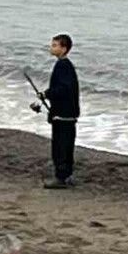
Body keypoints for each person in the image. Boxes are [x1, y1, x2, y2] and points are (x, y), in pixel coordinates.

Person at [33, 33, 80, 189]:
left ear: (64, 48)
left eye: (55, 45)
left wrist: (46, 94)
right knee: (67, 145)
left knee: (60, 146)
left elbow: (63, 89)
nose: (51, 48)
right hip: (68, 113)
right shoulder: (66, 65)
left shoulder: (63, 66)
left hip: (63, 114)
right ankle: (67, 175)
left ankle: (61, 178)